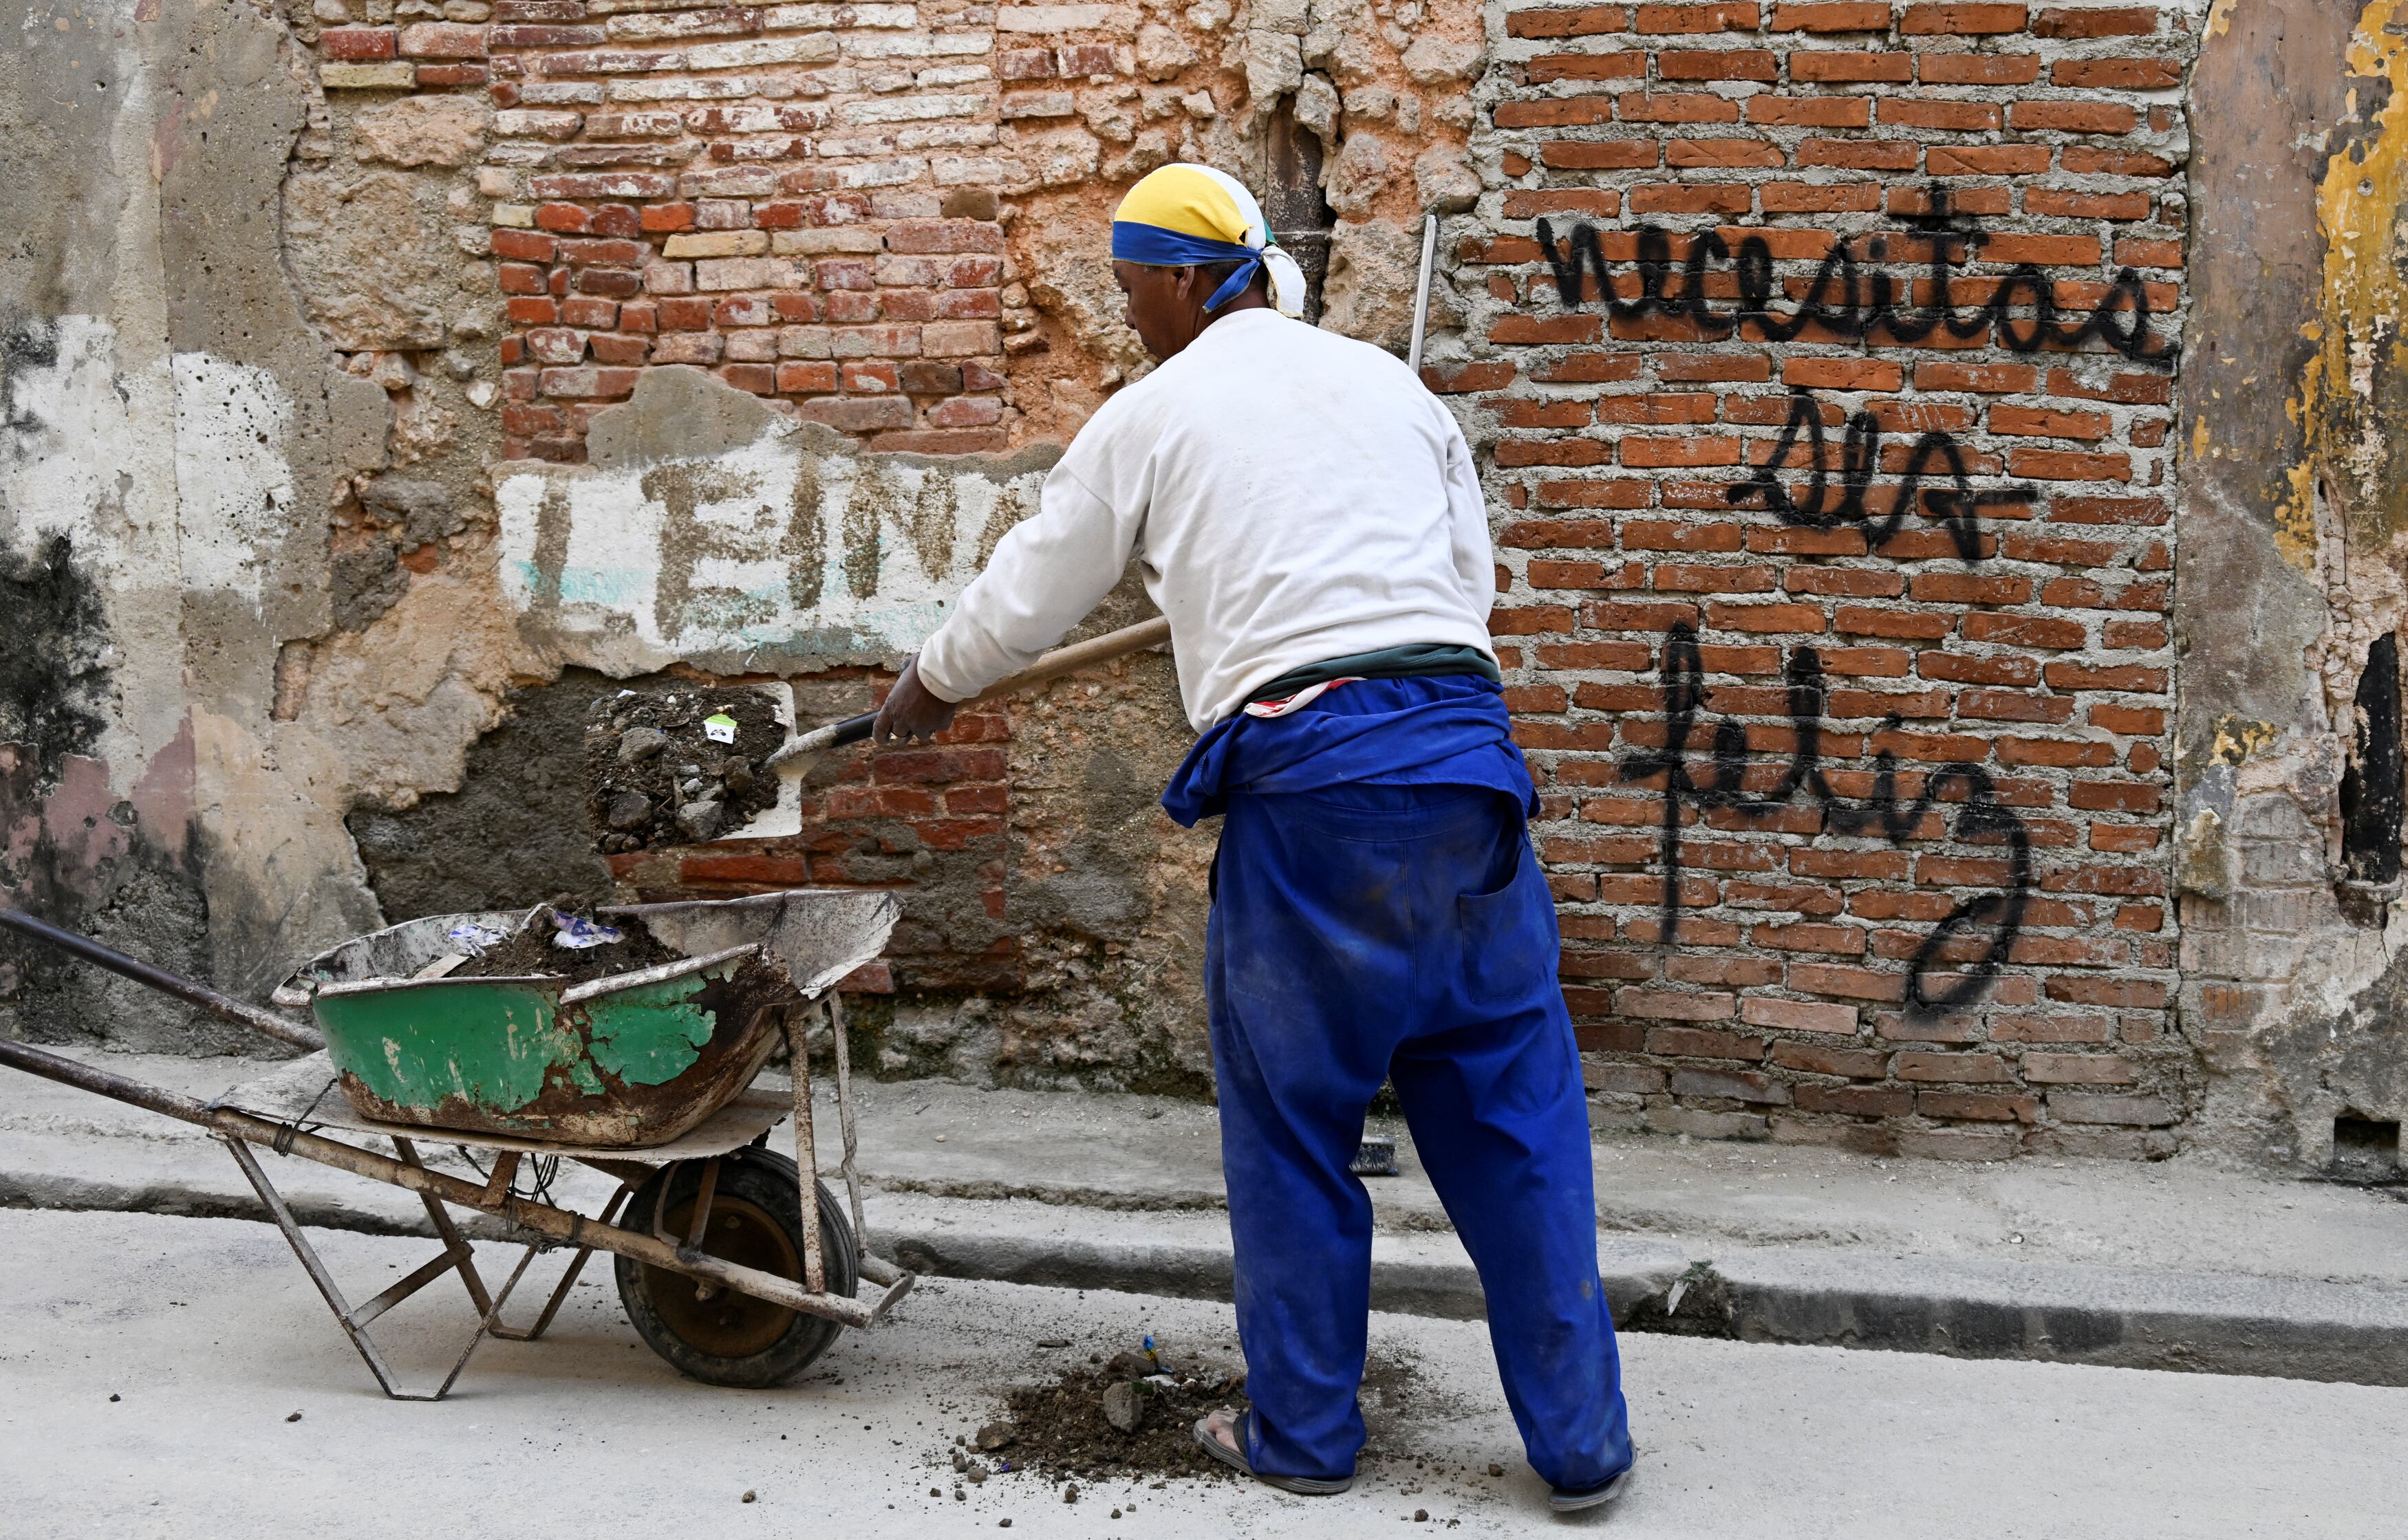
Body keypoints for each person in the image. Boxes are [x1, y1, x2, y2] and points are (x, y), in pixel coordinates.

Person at [872, 162, 1635, 1512]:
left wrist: (930, 683)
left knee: (1292, 1124)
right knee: (1516, 1119)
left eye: (1127, 293)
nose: (1127, 322)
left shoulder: (1152, 416)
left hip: (1314, 796)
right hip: (1466, 777)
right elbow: (1470, 584)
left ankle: (1301, 1430)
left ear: (1177, 279)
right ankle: (1579, 1446)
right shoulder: (1390, 391)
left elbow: (1030, 590)